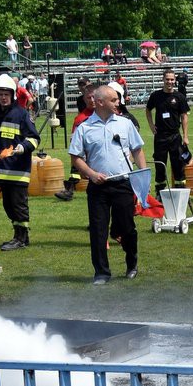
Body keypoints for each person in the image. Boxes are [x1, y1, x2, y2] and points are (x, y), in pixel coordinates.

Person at [69, 85, 146, 285]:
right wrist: (92, 175)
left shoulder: (125, 123)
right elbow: (75, 157)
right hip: (98, 188)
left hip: (123, 184)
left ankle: (132, 263)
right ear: (100, 102)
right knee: (98, 230)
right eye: (113, 100)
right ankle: (102, 272)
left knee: (127, 228)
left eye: (117, 99)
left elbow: (137, 150)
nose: (118, 103)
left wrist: (142, 174)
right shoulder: (84, 127)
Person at [0, 75, 39, 250]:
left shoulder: (21, 114)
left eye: (6, 94)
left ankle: (21, 239)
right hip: (2, 170)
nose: (3, 97)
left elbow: (34, 139)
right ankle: (20, 235)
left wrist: (23, 147)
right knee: (8, 206)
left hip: (18, 169)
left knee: (18, 206)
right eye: (0, 94)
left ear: (13, 94)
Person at [145, 70, 190, 195]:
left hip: (175, 135)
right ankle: (160, 193)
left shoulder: (179, 97)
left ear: (174, 80)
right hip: (160, 136)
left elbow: (184, 116)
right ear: (163, 80)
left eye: (171, 79)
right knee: (160, 165)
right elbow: (148, 110)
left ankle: (180, 192)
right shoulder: (156, 96)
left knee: (178, 164)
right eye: (167, 79)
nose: (169, 82)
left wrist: (185, 136)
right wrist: (151, 125)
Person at [55, 83, 97, 201]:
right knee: (77, 169)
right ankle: (70, 189)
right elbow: (74, 141)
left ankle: (69, 189)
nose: (92, 100)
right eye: (89, 98)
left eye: (94, 97)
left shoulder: (108, 114)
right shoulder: (80, 118)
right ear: (84, 99)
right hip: (86, 152)